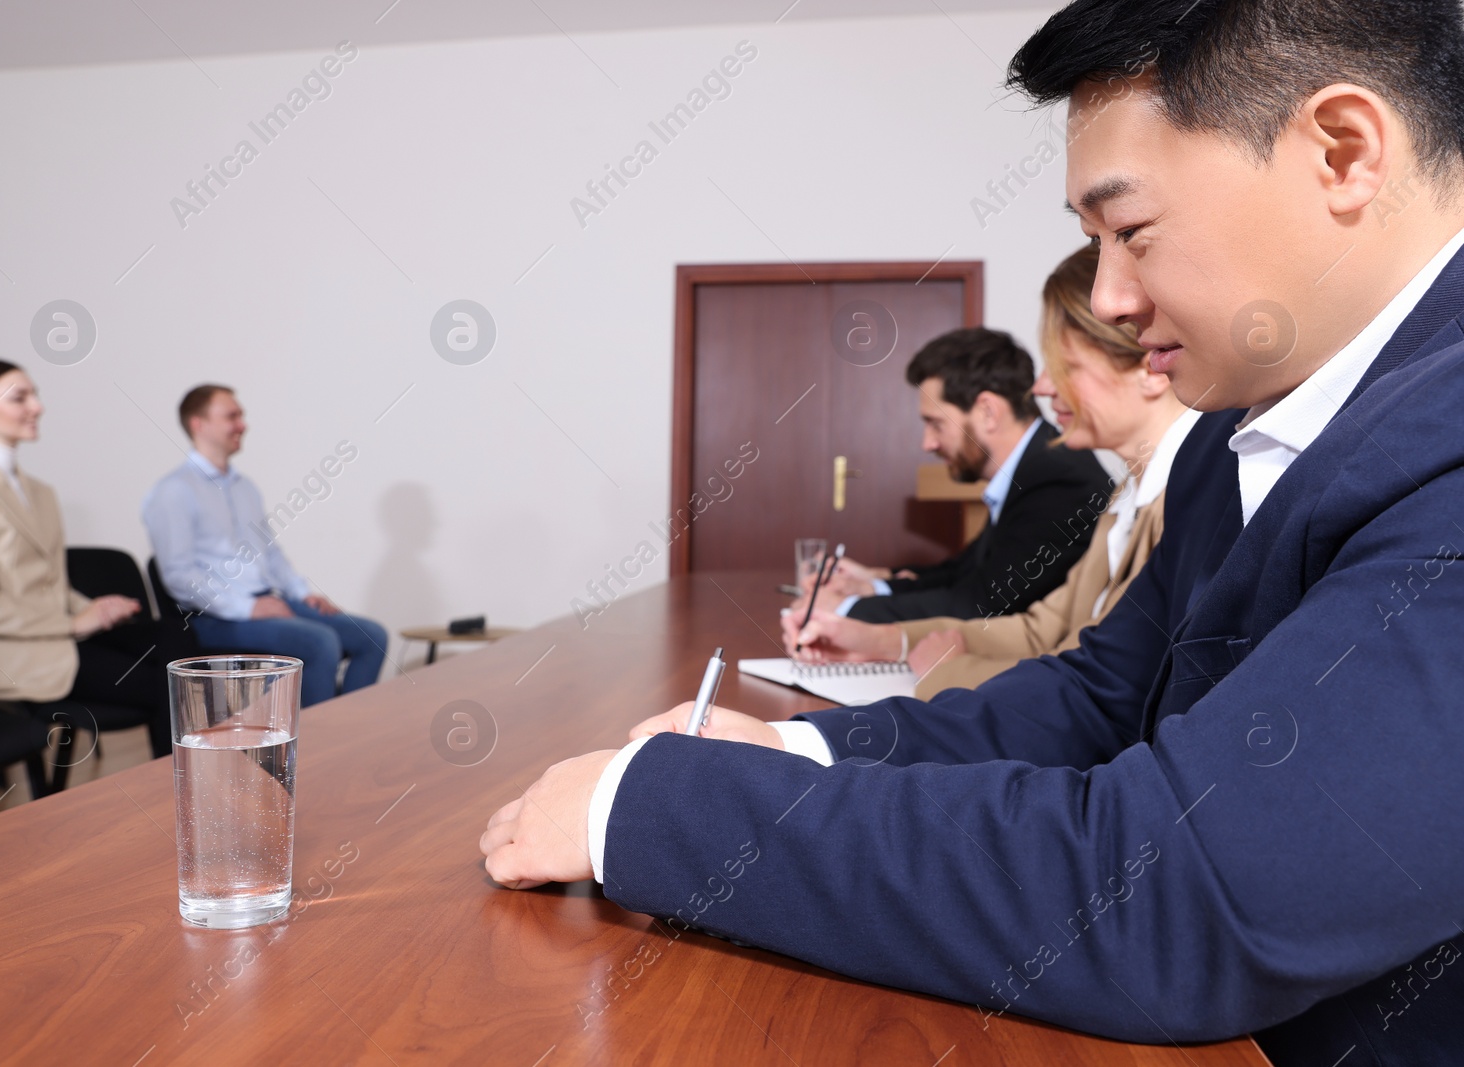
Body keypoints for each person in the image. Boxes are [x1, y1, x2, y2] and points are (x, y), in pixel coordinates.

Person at [480, 1, 1464, 1063]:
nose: (1110, 297)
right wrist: (794, 746)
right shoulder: (1255, 427)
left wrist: (651, 813)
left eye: (1130, 231)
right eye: (1092, 244)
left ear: (1342, 152)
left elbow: (1184, 896)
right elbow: (1098, 698)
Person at [785, 244, 1199, 699]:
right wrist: (882, 641)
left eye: (1066, 366)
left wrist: (944, 669)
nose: (1041, 387)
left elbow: (1103, 684)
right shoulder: (1127, 491)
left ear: (1150, 368)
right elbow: (1041, 629)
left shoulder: (1181, 500)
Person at [0, 360, 179, 758]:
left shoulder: (39, 491)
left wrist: (95, 609)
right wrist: (73, 622)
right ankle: (179, 797)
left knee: (174, 639)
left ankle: (196, 786)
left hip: (53, 637)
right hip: (7, 655)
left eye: (34, 395)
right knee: (168, 686)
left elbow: (50, 583)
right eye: (20, 397)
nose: (37, 407)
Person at [807, 327, 1113, 624]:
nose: (928, 443)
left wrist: (846, 609)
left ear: (987, 412)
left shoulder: (1057, 481)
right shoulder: (1034, 468)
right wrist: (873, 585)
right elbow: (962, 574)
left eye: (936, 423)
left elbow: (980, 606)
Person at [142, 385, 388, 707]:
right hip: (216, 618)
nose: (242, 424)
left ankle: (350, 732)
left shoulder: (246, 489)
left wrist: (302, 594)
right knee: (320, 643)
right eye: (232, 416)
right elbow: (179, 576)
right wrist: (247, 608)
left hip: (267, 602)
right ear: (198, 424)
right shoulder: (173, 492)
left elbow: (270, 556)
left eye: (241, 415)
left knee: (372, 636)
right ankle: (315, 746)